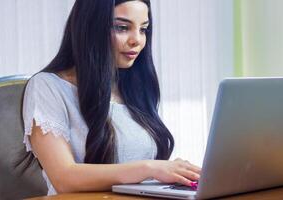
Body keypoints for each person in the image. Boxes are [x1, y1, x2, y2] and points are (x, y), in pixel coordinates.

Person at [22, 0, 201, 195]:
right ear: (90, 27)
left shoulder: (132, 87)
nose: (137, 40)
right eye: (122, 27)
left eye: (143, 29)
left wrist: (176, 173)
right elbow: (65, 178)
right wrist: (151, 169)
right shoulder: (46, 86)